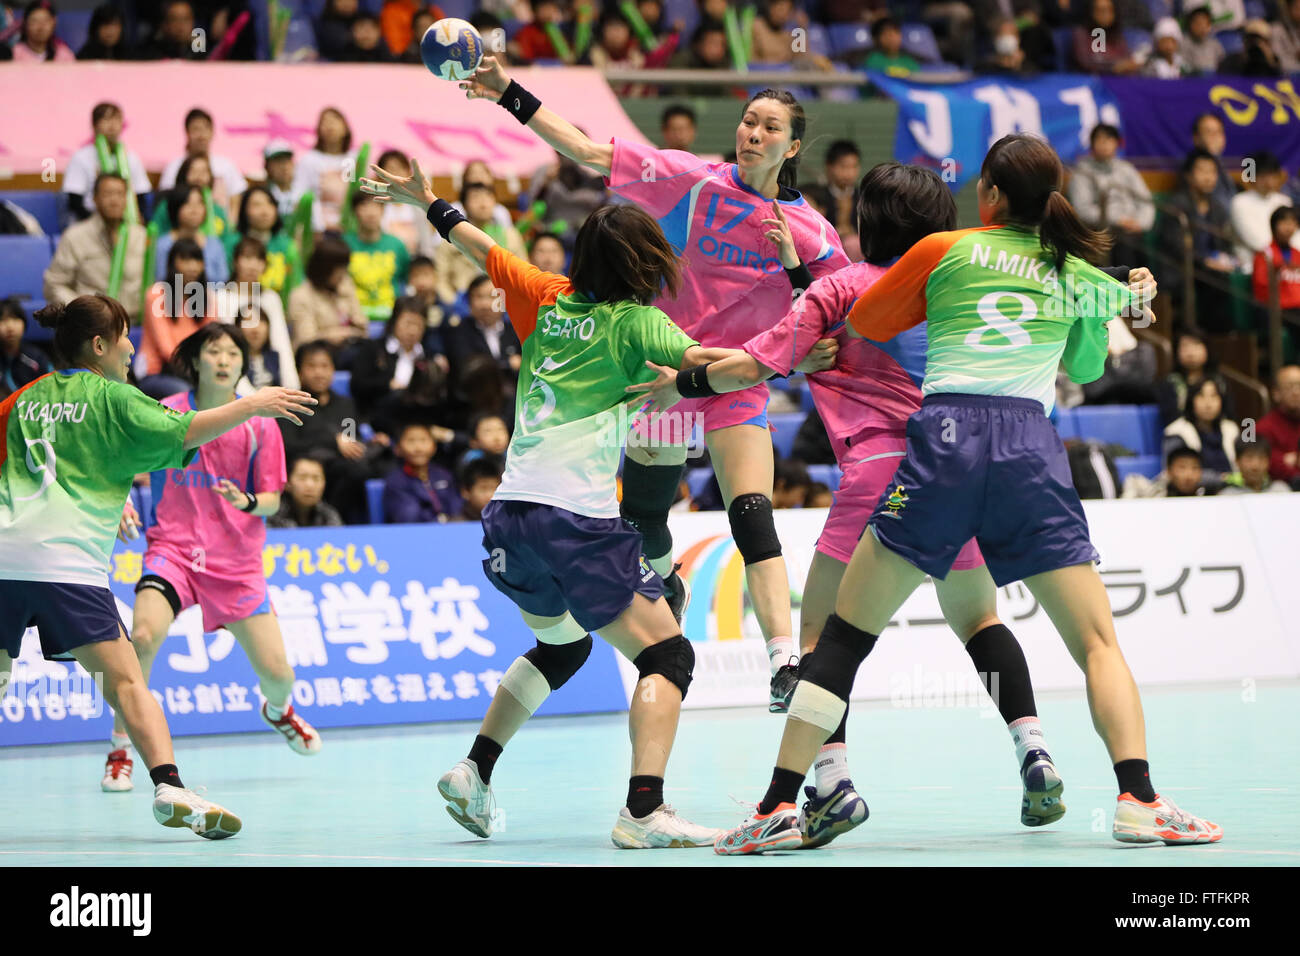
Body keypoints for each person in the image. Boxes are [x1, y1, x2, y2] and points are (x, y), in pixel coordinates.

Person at [713, 134, 1221, 853]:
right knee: (1098, 642)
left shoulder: (941, 250)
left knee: (840, 640)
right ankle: (1138, 797)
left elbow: (871, 321)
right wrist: (1108, 294)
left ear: (985, 195)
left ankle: (778, 804)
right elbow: (1083, 358)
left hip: (944, 444)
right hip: (1029, 451)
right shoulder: (1073, 270)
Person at [362, 156, 738, 848]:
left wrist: (429, 201)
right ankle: (644, 811)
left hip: (510, 518)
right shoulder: (638, 324)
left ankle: (474, 769)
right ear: (640, 265)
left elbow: (481, 246)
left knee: (561, 645)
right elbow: (710, 364)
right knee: (668, 658)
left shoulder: (547, 294)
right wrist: (797, 350)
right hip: (577, 520)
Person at [459, 56, 850, 705]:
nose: (753, 134)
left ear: (793, 145)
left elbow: (835, 307)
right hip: (661, 376)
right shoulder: (692, 179)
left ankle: (784, 659)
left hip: (734, 380)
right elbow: (584, 148)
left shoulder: (811, 231)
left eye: (770, 127)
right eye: (749, 121)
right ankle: (666, 577)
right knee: (643, 518)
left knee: (751, 512)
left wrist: (805, 345)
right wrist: (507, 92)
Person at [0, 294, 315, 839]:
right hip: (69, 567)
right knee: (127, 683)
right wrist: (253, 403)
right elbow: (186, 430)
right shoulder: (117, 398)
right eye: (123, 336)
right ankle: (169, 785)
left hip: (6, 559)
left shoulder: (22, 397)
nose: (131, 346)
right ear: (98, 346)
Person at [103, 323, 322, 793]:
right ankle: (120, 748)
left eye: (232, 354)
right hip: (173, 552)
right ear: (196, 361)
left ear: (243, 365)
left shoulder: (261, 424)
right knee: (141, 637)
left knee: (279, 675)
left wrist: (246, 502)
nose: (223, 360)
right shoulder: (166, 412)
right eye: (213, 351)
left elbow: (271, 499)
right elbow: (124, 463)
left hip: (236, 563)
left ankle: (278, 712)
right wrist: (118, 498)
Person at [280, 340, 379, 523]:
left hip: (338, 474)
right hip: (302, 472)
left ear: (333, 369)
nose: (319, 372)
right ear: (300, 371)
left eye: (325, 366)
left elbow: (351, 442)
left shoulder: (346, 406)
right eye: (311, 366)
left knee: (359, 470)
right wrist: (332, 441)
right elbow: (288, 446)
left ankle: (331, 519)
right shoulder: (290, 404)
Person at [44, 173, 147, 313]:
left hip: (135, 322)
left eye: (120, 194)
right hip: (91, 324)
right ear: (95, 199)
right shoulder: (75, 236)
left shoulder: (141, 236)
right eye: (107, 194)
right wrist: (84, 311)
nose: (114, 200)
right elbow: (54, 284)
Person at [1160, 149, 1237, 333]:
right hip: (1181, 269)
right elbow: (1176, 246)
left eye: (1212, 172)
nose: (1208, 177)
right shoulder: (1176, 206)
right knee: (1214, 281)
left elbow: (1224, 244)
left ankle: (1223, 338)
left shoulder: (1218, 208)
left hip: (1209, 270)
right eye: (1202, 171)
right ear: (1188, 176)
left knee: (1225, 279)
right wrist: (1205, 262)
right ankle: (1204, 337)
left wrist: (1226, 260)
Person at [215, 236, 299, 390]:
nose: (253, 265)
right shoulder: (221, 297)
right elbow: (226, 346)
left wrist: (292, 386)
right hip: (233, 376)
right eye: (247, 258)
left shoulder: (271, 298)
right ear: (235, 262)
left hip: (267, 371)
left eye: (259, 260)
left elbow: (281, 342)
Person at [1067, 124, 1154, 267]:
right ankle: (1125, 286)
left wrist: (1141, 222)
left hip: (1131, 229)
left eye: (1108, 139)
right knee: (1124, 245)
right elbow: (1082, 210)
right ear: (1092, 144)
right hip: (1101, 230)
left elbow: (1146, 200)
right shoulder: (1082, 172)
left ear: (1116, 143)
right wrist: (1118, 220)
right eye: (1099, 139)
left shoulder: (1126, 169)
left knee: (1138, 247)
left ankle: (1142, 286)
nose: (1104, 144)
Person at [139, 239, 216, 398]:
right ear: (172, 263)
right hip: (157, 372)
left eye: (197, 260)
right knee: (189, 394)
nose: (192, 266)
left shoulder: (207, 296)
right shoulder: (156, 294)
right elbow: (167, 350)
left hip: (195, 371)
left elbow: (212, 339)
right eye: (185, 260)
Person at [62, 103, 150, 221]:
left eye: (117, 119)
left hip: (126, 221)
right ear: (94, 125)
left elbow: (141, 196)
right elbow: (74, 201)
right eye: (106, 119)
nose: (112, 125)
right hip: (91, 220)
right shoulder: (81, 157)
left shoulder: (132, 158)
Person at [350, 295, 430, 417]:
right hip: (379, 416)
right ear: (395, 321)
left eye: (419, 325)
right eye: (408, 323)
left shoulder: (428, 356)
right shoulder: (373, 348)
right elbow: (358, 384)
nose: (413, 331)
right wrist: (387, 384)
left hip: (415, 417)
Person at [223, 185, 301, 301]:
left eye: (270, 203)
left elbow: (296, 284)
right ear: (244, 210)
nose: (265, 211)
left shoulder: (287, 245)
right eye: (256, 205)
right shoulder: (232, 242)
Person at [287, 238, 368, 349]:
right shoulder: (301, 296)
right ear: (325, 269)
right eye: (339, 269)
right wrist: (333, 335)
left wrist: (355, 326)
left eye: (345, 267)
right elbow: (305, 339)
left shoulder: (345, 285)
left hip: (348, 348)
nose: (343, 274)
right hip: (317, 353)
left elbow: (362, 325)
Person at [158, 109, 249, 205]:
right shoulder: (174, 166)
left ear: (212, 132)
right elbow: (165, 200)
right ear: (187, 133)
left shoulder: (226, 165)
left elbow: (236, 199)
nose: (201, 135)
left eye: (205, 129)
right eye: (196, 129)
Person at [345, 192, 411, 321]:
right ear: (354, 211)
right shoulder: (344, 244)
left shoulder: (396, 245)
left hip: (390, 320)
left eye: (376, 205)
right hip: (353, 319)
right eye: (364, 205)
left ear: (383, 210)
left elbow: (407, 279)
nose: (371, 212)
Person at [442, 275, 523, 379]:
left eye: (492, 296)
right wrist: (508, 364)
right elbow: (470, 368)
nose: (485, 304)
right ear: (469, 301)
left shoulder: (516, 332)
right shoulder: (458, 333)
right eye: (479, 296)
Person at [292, 107, 358, 234]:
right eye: (325, 122)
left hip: (348, 230)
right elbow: (299, 194)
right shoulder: (309, 160)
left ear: (345, 128)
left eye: (334, 121)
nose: (330, 126)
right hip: (318, 229)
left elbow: (355, 192)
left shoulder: (352, 159)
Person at [1230, 151, 1296, 269]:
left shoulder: (1284, 201)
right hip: (1253, 267)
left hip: (1289, 266)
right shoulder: (1240, 202)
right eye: (1263, 176)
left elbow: (1296, 236)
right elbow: (1258, 241)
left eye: (1272, 175)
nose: (1268, 181)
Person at [382, 422, 459, 523]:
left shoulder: (444, 475)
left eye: (423, 440)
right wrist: (438, 520)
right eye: (411, 441)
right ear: (398, 449)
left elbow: (457, 507)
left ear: (434, 447)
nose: (418, 448)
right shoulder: (395, 482)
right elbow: (408, 517)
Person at [1163, 377, 1239, 478]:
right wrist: (1224, 479)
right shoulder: (1176, 432)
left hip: (1233, 490)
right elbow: (1177, 474)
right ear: (1191, 400)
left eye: (1214, 396)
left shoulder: (1231, 429)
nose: (1208, 403)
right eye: (1201, 396)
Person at [154, 185, 231, 284]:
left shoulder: (215, 244)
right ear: (175, 207)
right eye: (187, 204)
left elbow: (223, 281)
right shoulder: (163, 245)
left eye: (199, 203)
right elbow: (160, 280)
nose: (194, 210)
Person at [1156, 328, 1232, 426]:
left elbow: (1229, 415)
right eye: (1185, 346)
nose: (1191, 352)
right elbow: (1170, 419)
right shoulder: (1170, 382)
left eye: (1196, 344)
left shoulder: (1219, 382)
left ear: (1207, 348)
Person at [801, 141, 861, 241]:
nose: (849, 173)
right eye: (843, 167)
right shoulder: (814, 195)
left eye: (854, 167)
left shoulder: (864, 197)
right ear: (829, 167)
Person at [268, 454, 345, 528]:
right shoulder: (272, 514)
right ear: (287, 483)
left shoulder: (328, 515)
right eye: (302, 477)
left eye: (316, 478)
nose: (310, 485)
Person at [0, 297, 52, 398]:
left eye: (15, 319)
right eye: (3, 320)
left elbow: (51, 389)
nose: (10, 327)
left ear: (24, 323)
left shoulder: (37, 357)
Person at [1257, 364, 1300, 485]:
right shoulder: (1264, 427)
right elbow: (1268, 464)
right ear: (1276, 393)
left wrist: (1291, 459)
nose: (1296, 392)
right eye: (1290, 387)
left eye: (1299, 386)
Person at [1071, 0, 1137, 74]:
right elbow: (1086, 63)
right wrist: (1114, 67)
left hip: (1117, 80)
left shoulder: (1116, 33)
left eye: (1110, 10)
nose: (1106, 14)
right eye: (1101, 10)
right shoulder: (1082, 34)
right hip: (1092, 80)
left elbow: (1127, 58)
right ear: (1091, 12)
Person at [1191, 113, 1237, 213]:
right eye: (1208, 132)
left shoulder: (1221, 165)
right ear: (1196, 138)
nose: (1214, 137)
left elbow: (1232, 199)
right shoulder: (1191, 165)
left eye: (1218, 132)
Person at [141, 0, 206, 60]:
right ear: (164, 24)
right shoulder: (151, 53)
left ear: (193, 22)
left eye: (186, 19)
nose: (181, 25)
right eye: (174, 19)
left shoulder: (201, 52)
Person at [1221, 438, 1292, 494]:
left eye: (1261, 458)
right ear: (1237, 461)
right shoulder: (1228, 496)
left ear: (1269, 462)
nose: (1255, 466)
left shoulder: (1280, 491)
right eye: (1249, 458)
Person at [456, 455, 503, 521]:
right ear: (465, 492)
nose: (490, 495)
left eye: (495, 488)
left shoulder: (507, 524)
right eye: (483, 488)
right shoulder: (452, 525)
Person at [1182, 4, 1225, 74]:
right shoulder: (1184, 44)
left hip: (1213, 81)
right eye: (1198, 23)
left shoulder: (1214, 44)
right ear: (1190, 24)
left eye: (1205, 24)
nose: (1202, 27)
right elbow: (1183, 69)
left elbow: (1223, 65)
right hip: (1192, 81)